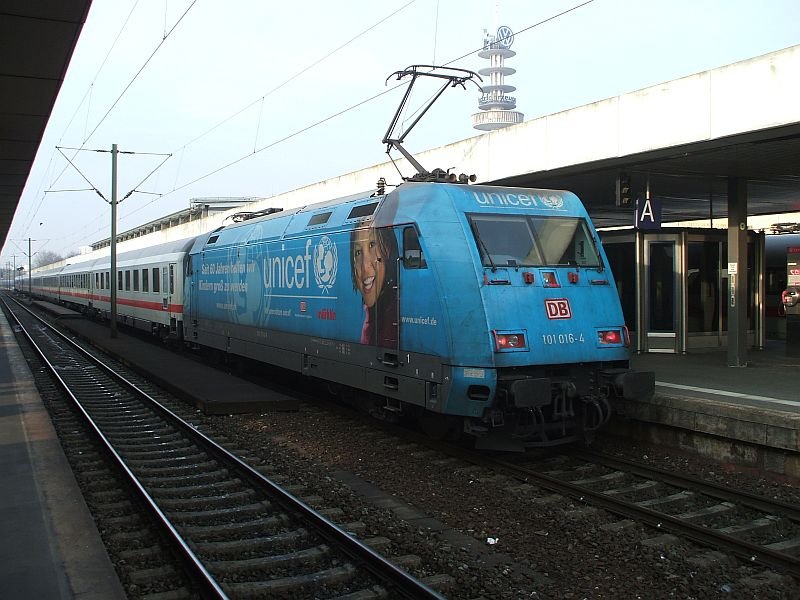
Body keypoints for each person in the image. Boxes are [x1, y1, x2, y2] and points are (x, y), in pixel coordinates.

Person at [350, 225, 398, 347]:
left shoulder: (393, 319)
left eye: (372, 245)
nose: (365, 267)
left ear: (387, 249)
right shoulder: (370, 321)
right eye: (358, 252)